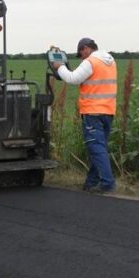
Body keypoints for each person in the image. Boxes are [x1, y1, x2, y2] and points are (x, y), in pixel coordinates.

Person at [52, 37, 117, 193]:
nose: (82, 57)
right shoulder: (110, 60)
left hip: (93, 112)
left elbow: (73, 79)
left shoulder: (91, 61)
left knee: (96, 148)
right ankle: (91, 182)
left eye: (81, 53)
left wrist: (60, 67)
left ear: (86, 48)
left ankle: (107, 183)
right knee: (99, 147)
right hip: (108, 111)